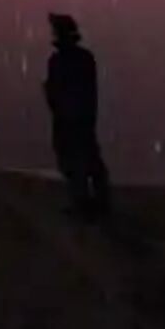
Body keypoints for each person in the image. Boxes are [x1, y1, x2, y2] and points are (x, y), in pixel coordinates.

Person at [43, 12, 110, 217]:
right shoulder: (83, 59)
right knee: (86, 160)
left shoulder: (59, 61)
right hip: (79, 118)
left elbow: (57, 92)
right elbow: (90, 92)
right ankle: (96, 201)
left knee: (74, 161)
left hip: (69, 119)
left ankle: (86, 203)